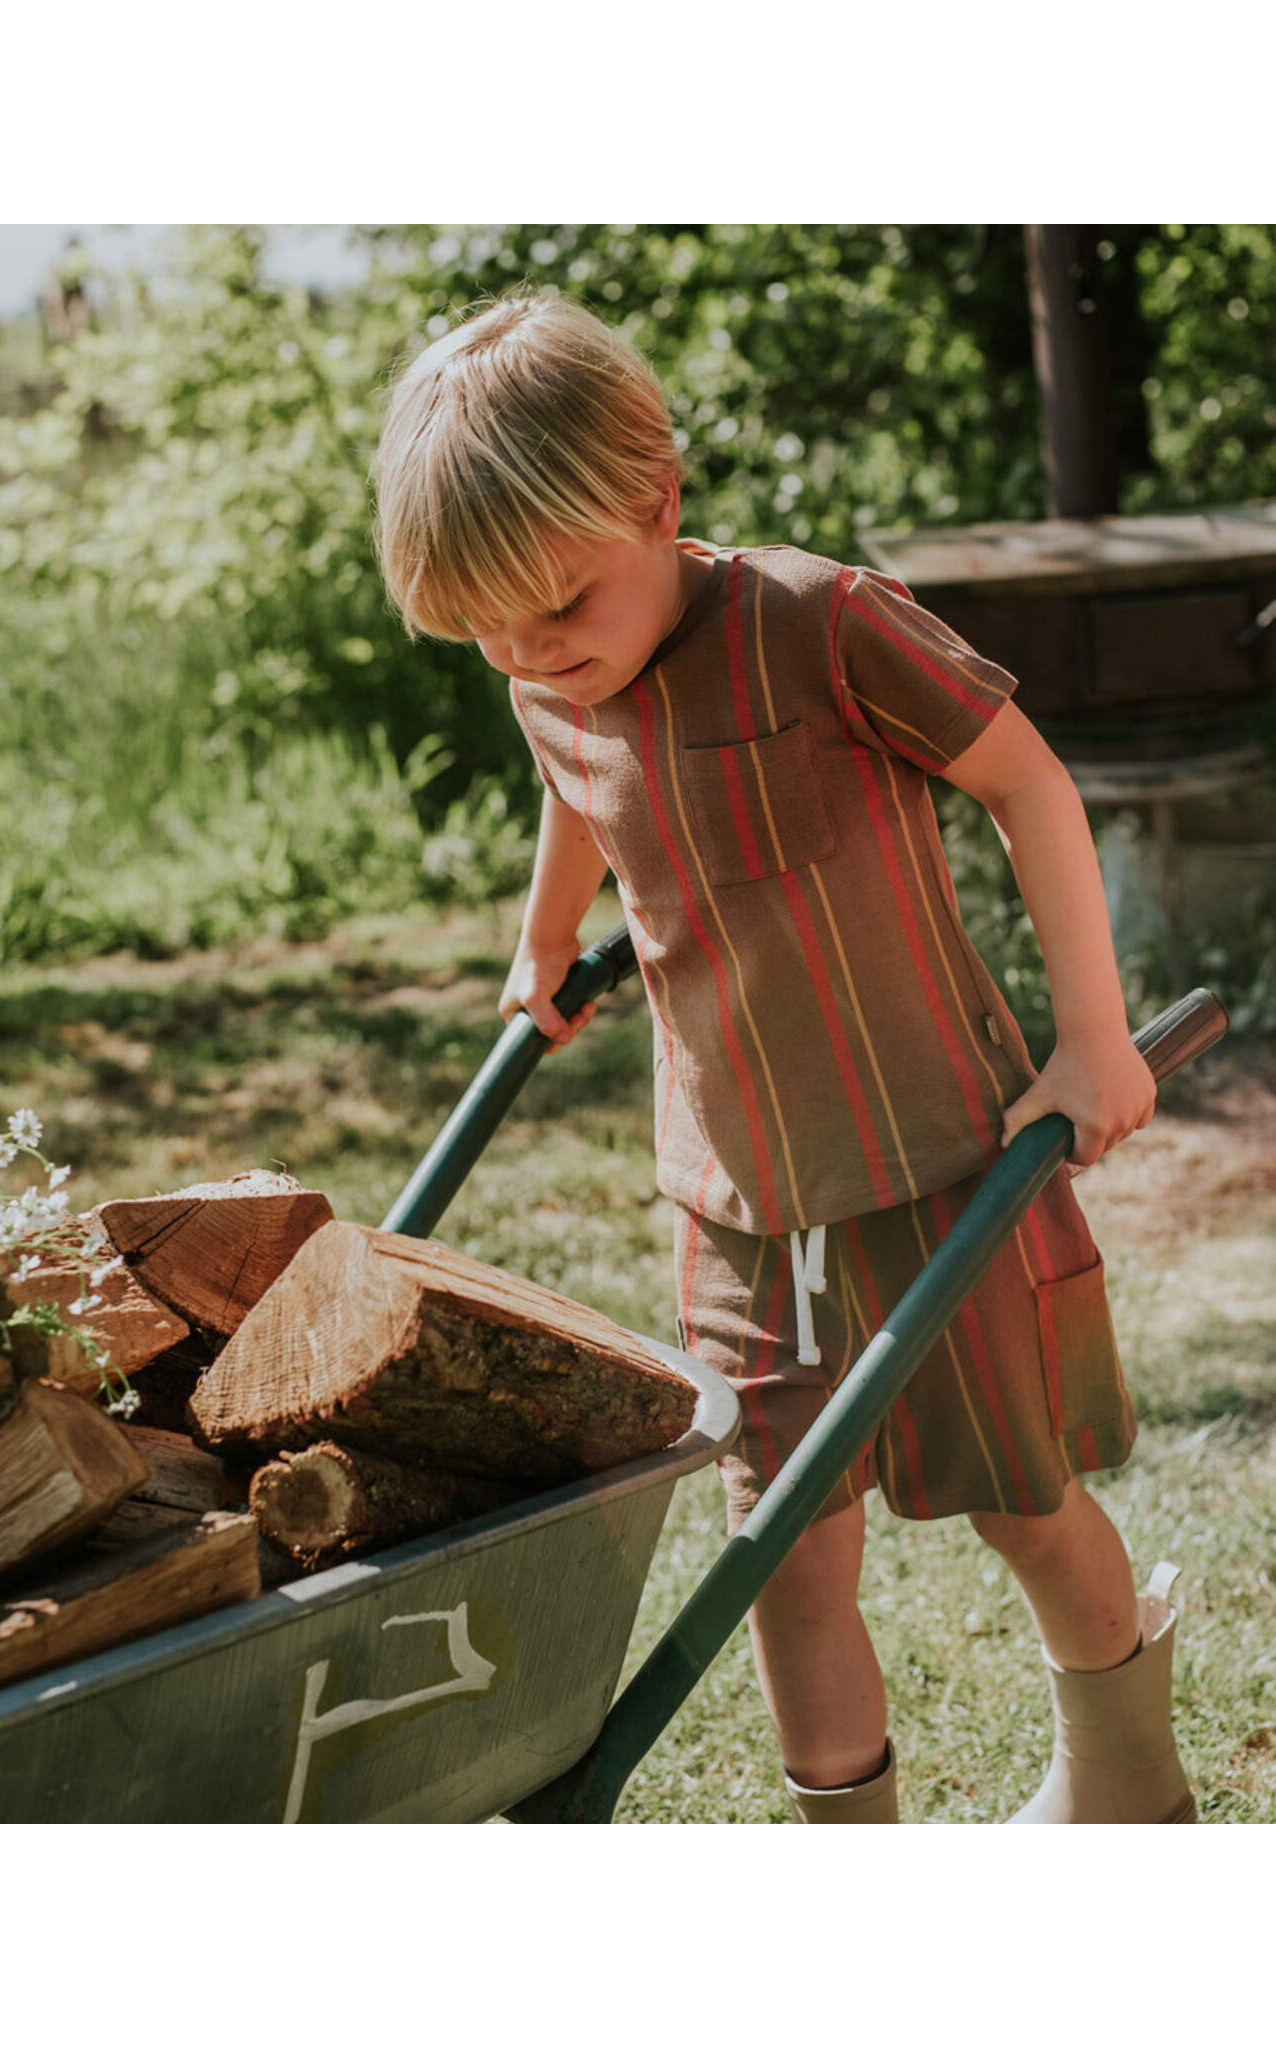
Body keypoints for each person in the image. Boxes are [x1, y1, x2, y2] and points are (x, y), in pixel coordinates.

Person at [372, 291, 1197, 1825]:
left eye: (560, 607)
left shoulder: (820, 624)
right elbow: (574, 783)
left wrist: (1091, 1035)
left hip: (943, 1166)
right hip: (738, 1207)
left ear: (659, 500)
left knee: (1023, 1506)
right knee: (782, 1558)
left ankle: (1128, 1798)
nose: (533, 655)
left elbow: (1029, 784)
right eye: (491, 632)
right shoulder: (550, 674)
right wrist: (544, 939)